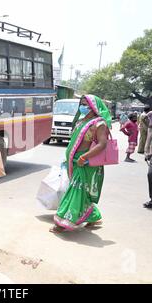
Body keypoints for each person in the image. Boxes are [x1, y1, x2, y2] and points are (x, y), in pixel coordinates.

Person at [50, 95, 110, 233]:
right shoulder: (81, 121)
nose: (82, 107)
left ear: (94, 107)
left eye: (86, 104)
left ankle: (64, 221)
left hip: (85, 163)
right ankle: (94, 217)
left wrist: (84, 157)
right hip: (75, 161)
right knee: (81, 191)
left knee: (75, 191)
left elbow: (102, 144)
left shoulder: (99, 123)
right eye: (81, 104)